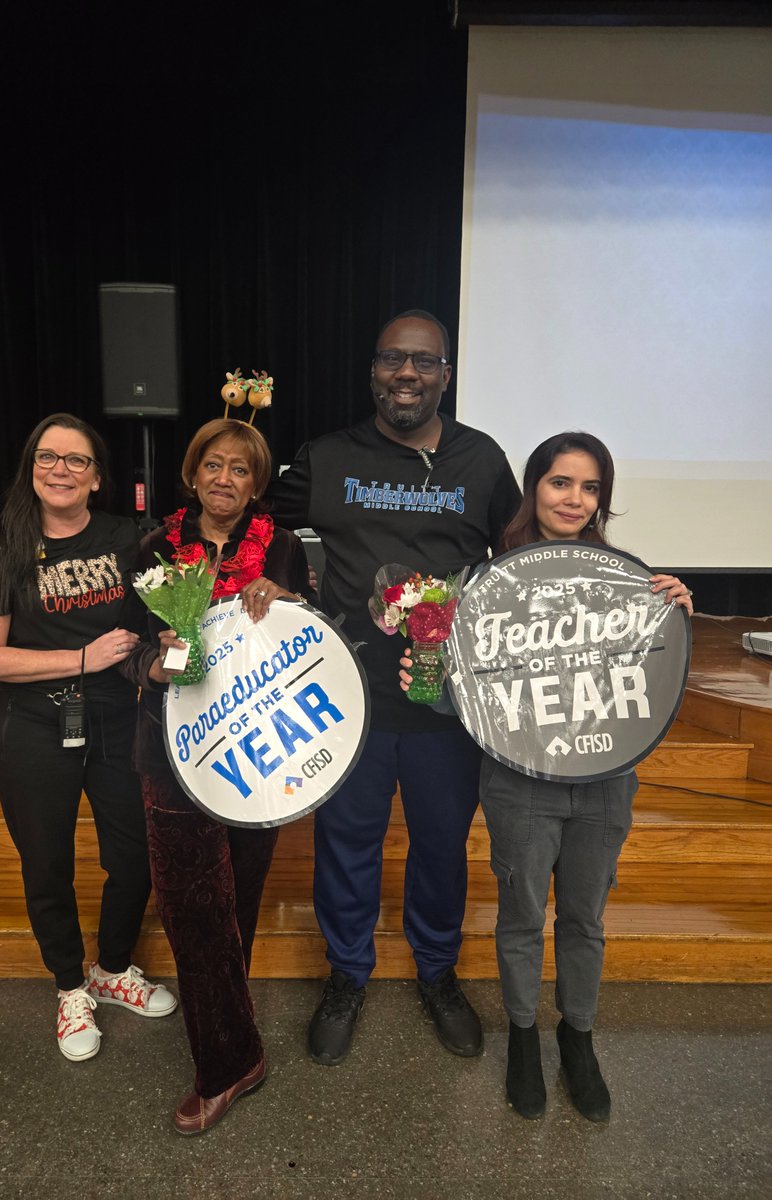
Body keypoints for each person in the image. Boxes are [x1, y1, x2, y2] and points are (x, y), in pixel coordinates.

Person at [400, 430, 694, 1122]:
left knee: (586, 918)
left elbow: (648, 681)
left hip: (606, 778)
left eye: (591, 487)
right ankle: (525, 1038)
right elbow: (459, 698)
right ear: (534, 486)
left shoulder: (630, 581)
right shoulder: (488, 580)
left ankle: (579, 1036)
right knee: (523, 915)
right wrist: (426, 676)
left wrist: (677, 617)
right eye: (561, 482)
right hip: (520, 780)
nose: (575, 498)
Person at [269, 310, 522, 1065]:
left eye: (422, 362)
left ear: (446, 375)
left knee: (442, 847)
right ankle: (347, 975)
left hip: (449, 706)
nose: (405, 374)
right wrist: (273, 589)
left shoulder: (482, 460)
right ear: (372, 371)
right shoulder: (327, 457)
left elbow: (527, 555)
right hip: (348, 699)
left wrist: (632, 586)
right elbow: (245, 520)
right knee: (346, 844)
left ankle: (437, 974)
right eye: (391, 360)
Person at [0, 413, 176, 1062]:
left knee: (134, 855)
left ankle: (113, 970)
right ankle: (69, 986)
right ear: (31, 470)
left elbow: (155, 621)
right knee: (47, 865)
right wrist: (83, 658)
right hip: (30, 727)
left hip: (114, 721)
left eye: (76, 461)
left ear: (96, 478)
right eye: (47, 458)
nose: (61, 469)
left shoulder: (126, 539)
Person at [120, 418, 313, 1135]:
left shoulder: (285, 549)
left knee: (237, 904)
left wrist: (289, 604)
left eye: (240, 469)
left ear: (257, 484)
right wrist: (164, 656)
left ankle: (231, 1043)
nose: (224, 479)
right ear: (192, 473)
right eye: (213, 465)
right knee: (190, 908)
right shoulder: (153, 550)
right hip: (172, 753)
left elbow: (307, 638)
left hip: (257, 750)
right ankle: (226, 1064)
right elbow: (128, 656)